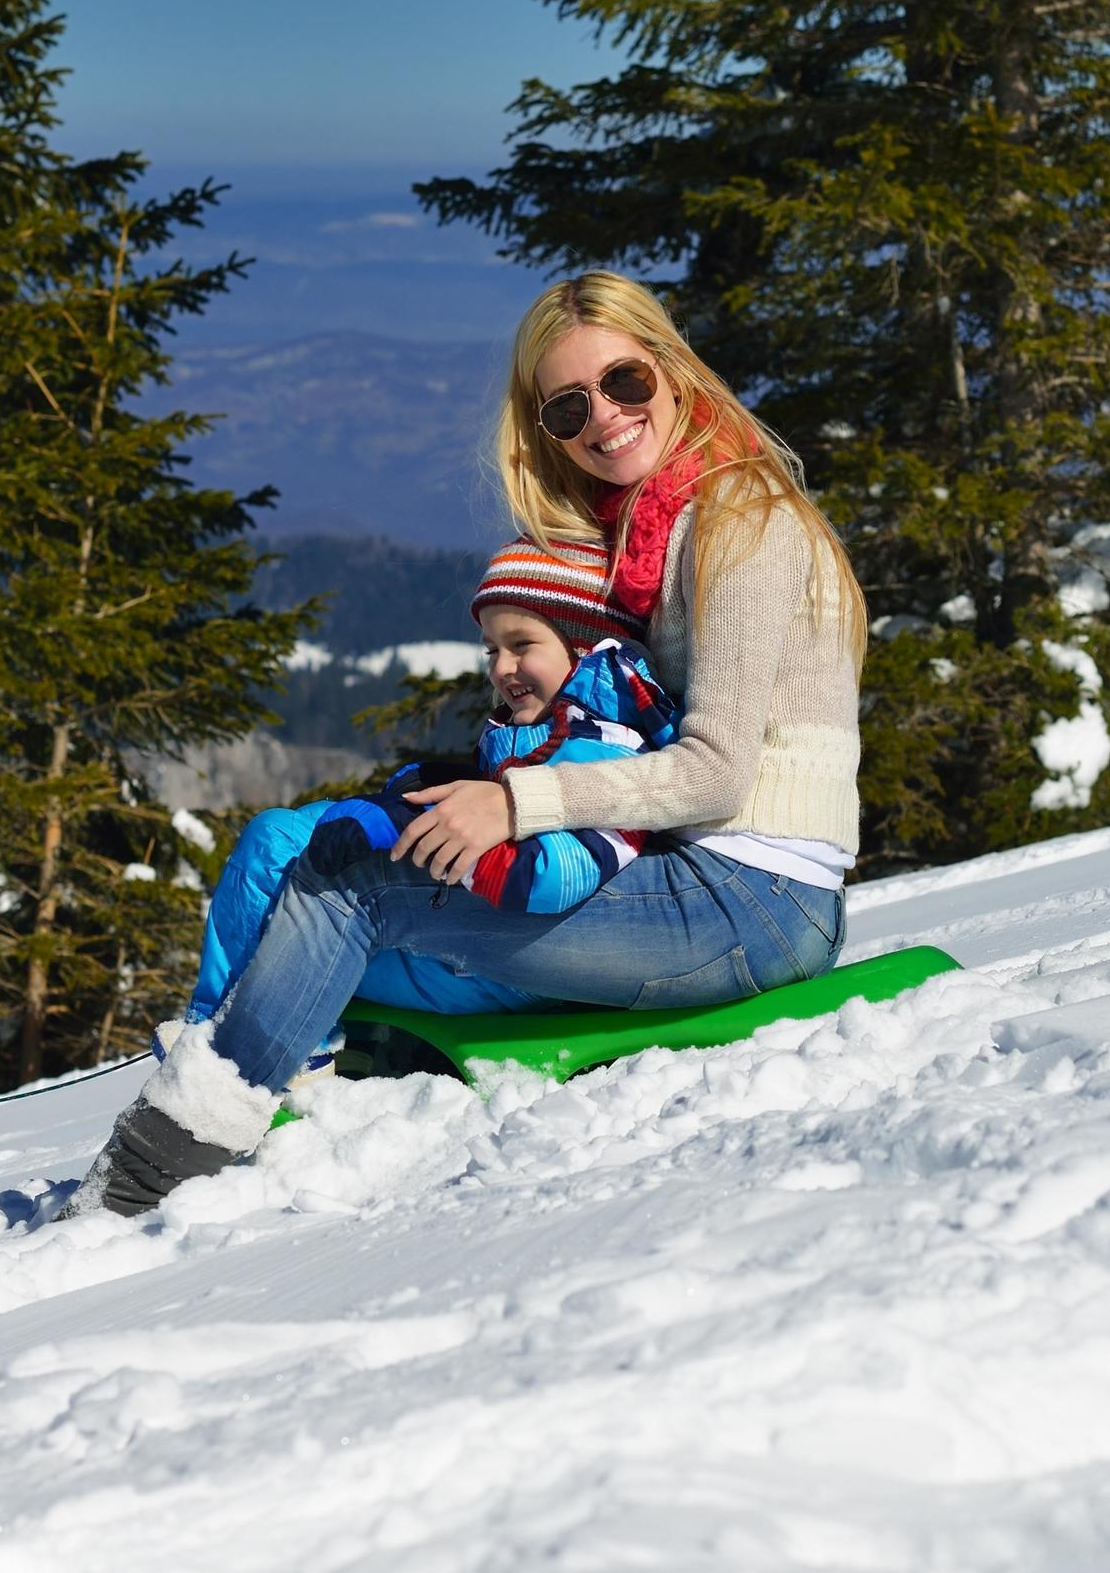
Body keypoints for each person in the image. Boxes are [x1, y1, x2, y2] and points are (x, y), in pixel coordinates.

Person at [73, 272, 865, 1216]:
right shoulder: (657, 529)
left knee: (355, 884)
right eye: (569, 408)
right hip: (704, 880)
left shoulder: (740, 521)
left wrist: (518, 804)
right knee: (341, 851)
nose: (603, 418)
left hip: (753, 897)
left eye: (624, 382)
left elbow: (717, 772)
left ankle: (149, 1178)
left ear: (672, 368)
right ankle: (223, 1116)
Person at [77, 535, 684, 1217]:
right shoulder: (541, 731)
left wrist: (402, 830)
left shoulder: (605, 747)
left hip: (514, 965)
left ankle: (240, 1049)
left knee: (296, 879)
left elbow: (555, 878)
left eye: (523, 645)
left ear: (585, 646)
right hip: (479, 949)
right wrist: (404, 802)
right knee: (279, 837)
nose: (503, 668)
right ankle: (220, 1040)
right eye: (491, 651)